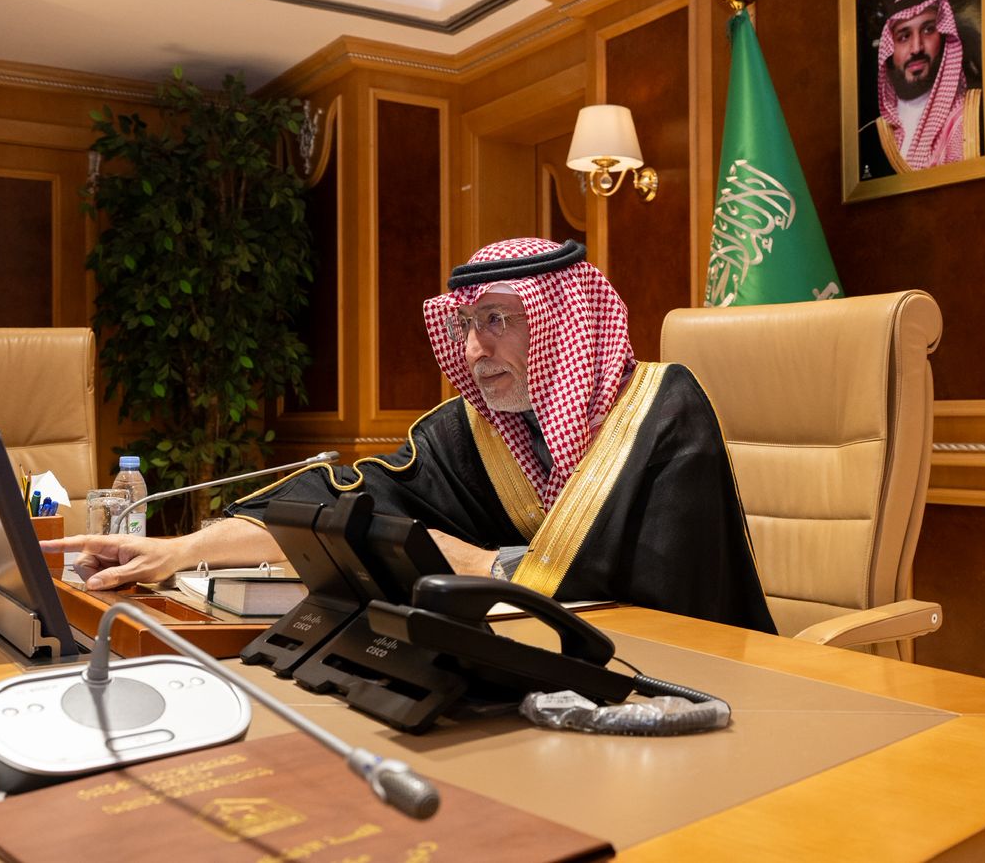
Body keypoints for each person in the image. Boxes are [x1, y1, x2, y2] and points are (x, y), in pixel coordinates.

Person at [44, 238, 776, 632]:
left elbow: (662, 604)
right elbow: (332, 501)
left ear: (563, 324)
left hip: (695, 688)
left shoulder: (664, 412)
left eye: (497, 320)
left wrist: (480, 563)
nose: (474, 349)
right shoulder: (472, 432)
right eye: (465, 325)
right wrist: (180, 549)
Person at [871, 0, 980, 170]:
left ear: (944, 37)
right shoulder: (874, 134)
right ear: (890, 49)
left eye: (928, 30)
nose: (916, 48)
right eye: (904, 36)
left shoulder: (970, 116)